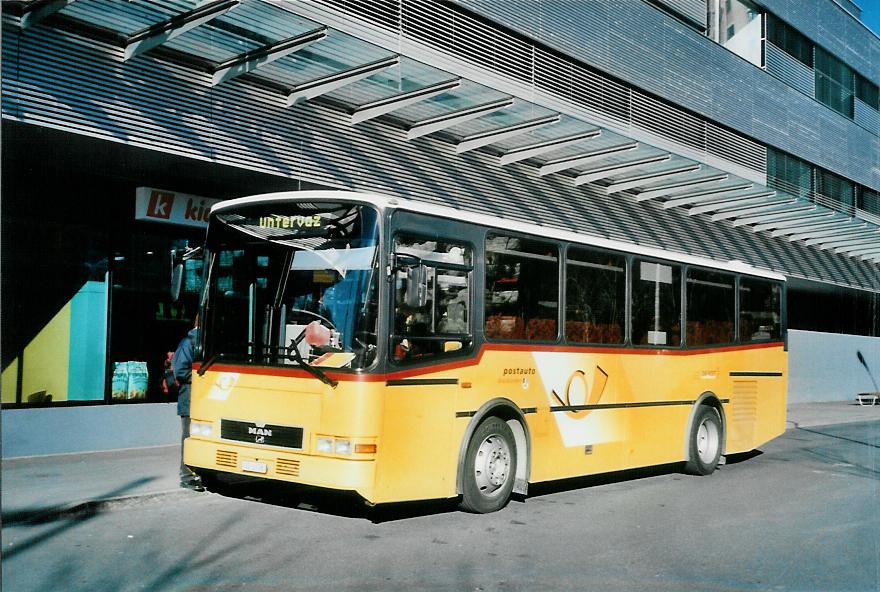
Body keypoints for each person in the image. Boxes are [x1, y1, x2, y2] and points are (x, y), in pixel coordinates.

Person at [173, 316, 204, 491]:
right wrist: (204, 379)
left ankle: (195, 473)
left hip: (200, 400)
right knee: (189, 437)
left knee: (194, 437)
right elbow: (181, 371)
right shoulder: (189, 342)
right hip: (190, 399)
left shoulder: (199, 342)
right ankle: (187, 476)